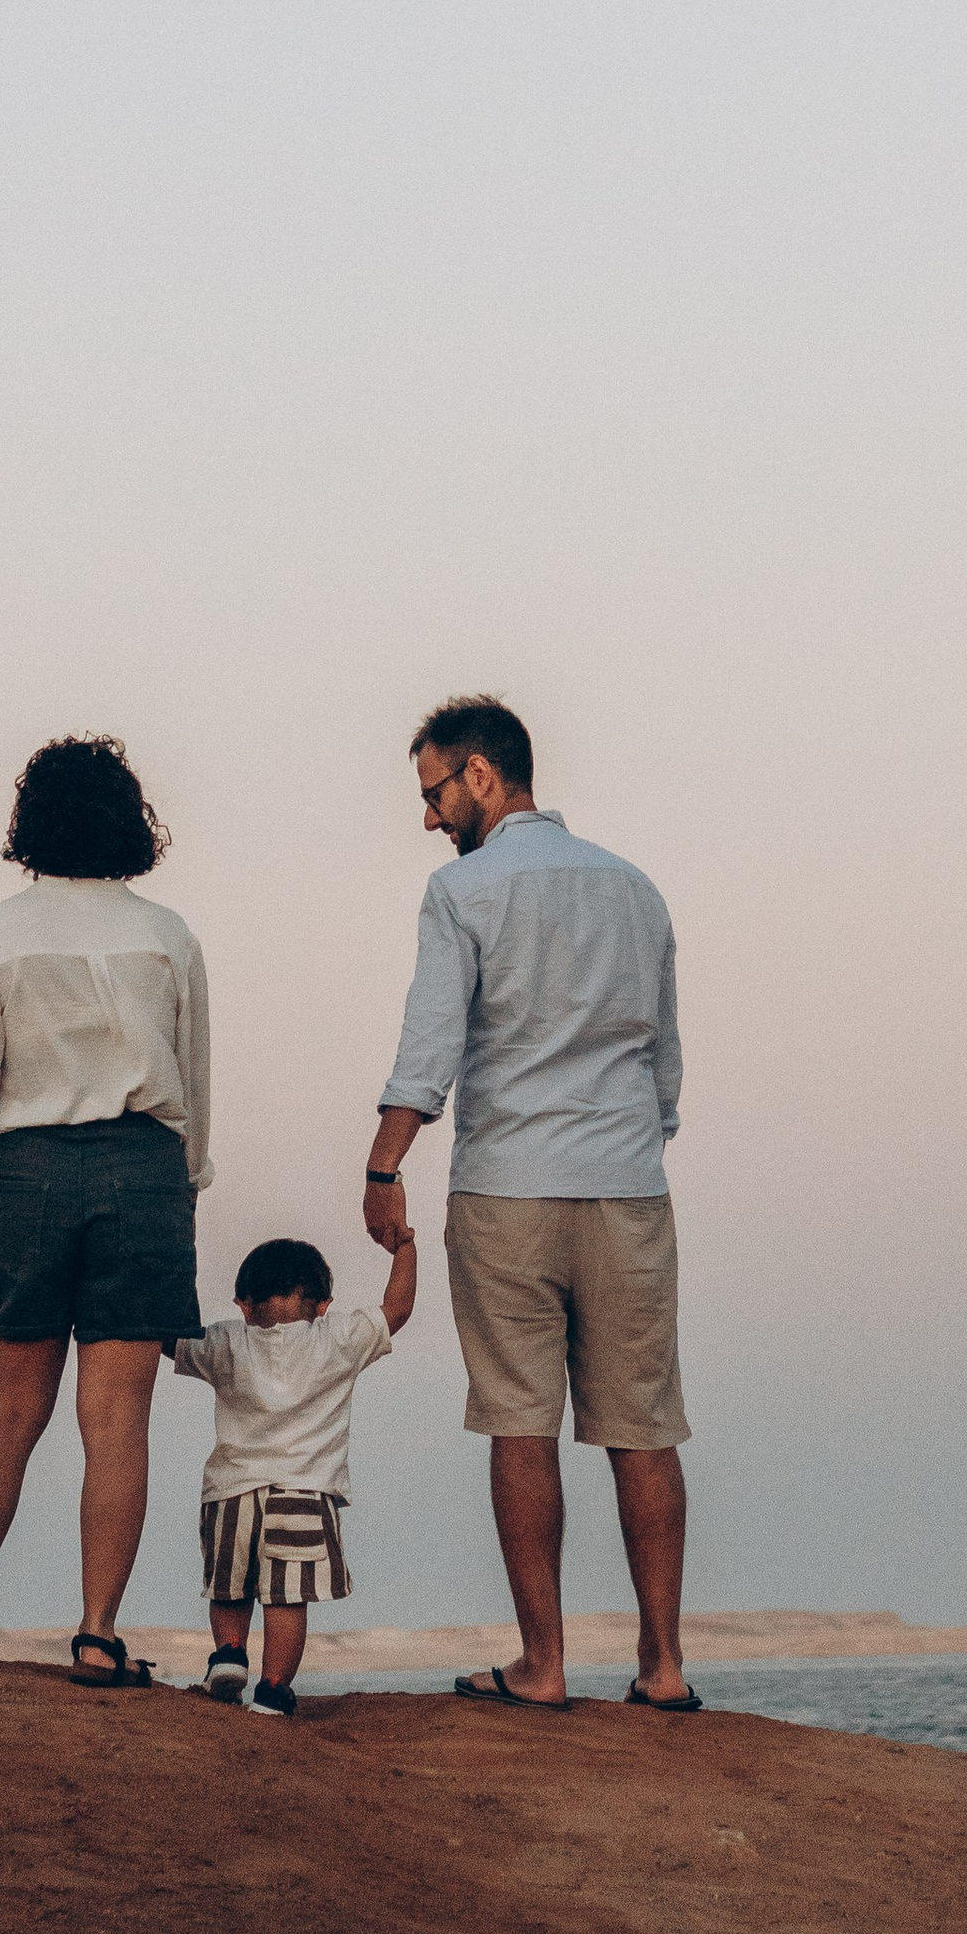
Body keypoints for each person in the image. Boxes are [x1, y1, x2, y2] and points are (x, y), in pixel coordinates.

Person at [362, 696, 697, 1715]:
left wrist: (383, 1169)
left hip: (507, 1185)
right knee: (644, 1428)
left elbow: (432, 1046)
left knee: (520, 1423)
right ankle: (665, 1665)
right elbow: (665, 1059)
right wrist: (639, 1137)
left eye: (432, 793)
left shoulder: (461, 890)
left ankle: (543, 1666)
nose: (426, 819)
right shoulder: (634, 888)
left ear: (478, 775)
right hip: (627, 1184)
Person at [0, 735, 210, 1687]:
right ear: (131, 819)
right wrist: (182, 1187)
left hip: (30, 1170)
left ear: (29, 821)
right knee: (116, 1416)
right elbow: (194, 1081)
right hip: (146, 1166)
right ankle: (95, 1634)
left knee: (6, 1408)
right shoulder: (168, 936)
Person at [166, 1229, 418, 1717]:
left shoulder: (223, 1340)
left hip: (230, 1492)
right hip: (305, 1492)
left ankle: (230, 1654)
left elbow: (164, 1337)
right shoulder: (339, 1337)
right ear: (323, 1303)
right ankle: (274, 1687)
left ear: (243, 1304)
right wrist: (404, 1248)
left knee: (229, 1586)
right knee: (285, 1598)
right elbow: (398, 1310)